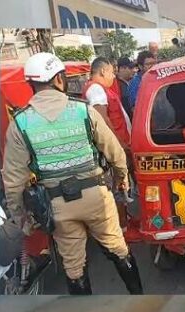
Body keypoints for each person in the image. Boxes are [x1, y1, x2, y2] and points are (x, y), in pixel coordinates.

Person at [2, 52, 143, 294]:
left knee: (74, 267)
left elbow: (13, 181)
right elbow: (115, 152)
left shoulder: (21, 123)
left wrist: (22, 217)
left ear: (31, 84)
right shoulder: (83, 111)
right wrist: (123, 181)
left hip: (57, 205)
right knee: (119, 250)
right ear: (59, 79)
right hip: (96, 197)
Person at [82, 57, 133, 232]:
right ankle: (122, 228)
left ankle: (125, 221)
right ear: (103, 71)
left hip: (118, 144)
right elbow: (102, 120)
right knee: (118, 186)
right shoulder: (96, 89)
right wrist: (118, 144)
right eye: (111, 72)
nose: (113, 76)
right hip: (112, 148)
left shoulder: (100, 89)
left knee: (121, 186)